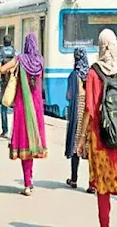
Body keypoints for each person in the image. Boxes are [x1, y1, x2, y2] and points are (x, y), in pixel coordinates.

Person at [0, 32, 47, 196]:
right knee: (33, 142)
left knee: (24, 143)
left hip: (22, 107)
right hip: (37, 108)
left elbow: (2, 68)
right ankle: (30, 180)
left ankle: (27, 183)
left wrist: (13, 72)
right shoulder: (40, 60)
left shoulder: (20, 60)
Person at [78, 29, 117, 227]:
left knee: (103, 189)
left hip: (101, 139)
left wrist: (81, 139)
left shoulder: (94, 72)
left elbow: (90, 109)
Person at [65, 48, 96, 193]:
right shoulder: (90, 74)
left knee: (77, 145)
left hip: (78, 113)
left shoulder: (73, 75)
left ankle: (74, 179)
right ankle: (92, 184)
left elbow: (69, 96)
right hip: (90, 114)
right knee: (90, 148)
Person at [0, 35, 16, 138]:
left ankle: (5, 130)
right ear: (11, 42)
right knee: (15, 106)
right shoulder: (15, 53)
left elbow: (0, 69)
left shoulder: (0, 53)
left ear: (3, 42)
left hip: (4, 82)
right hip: (13, 82)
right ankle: (15, 131)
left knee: (4, 107)